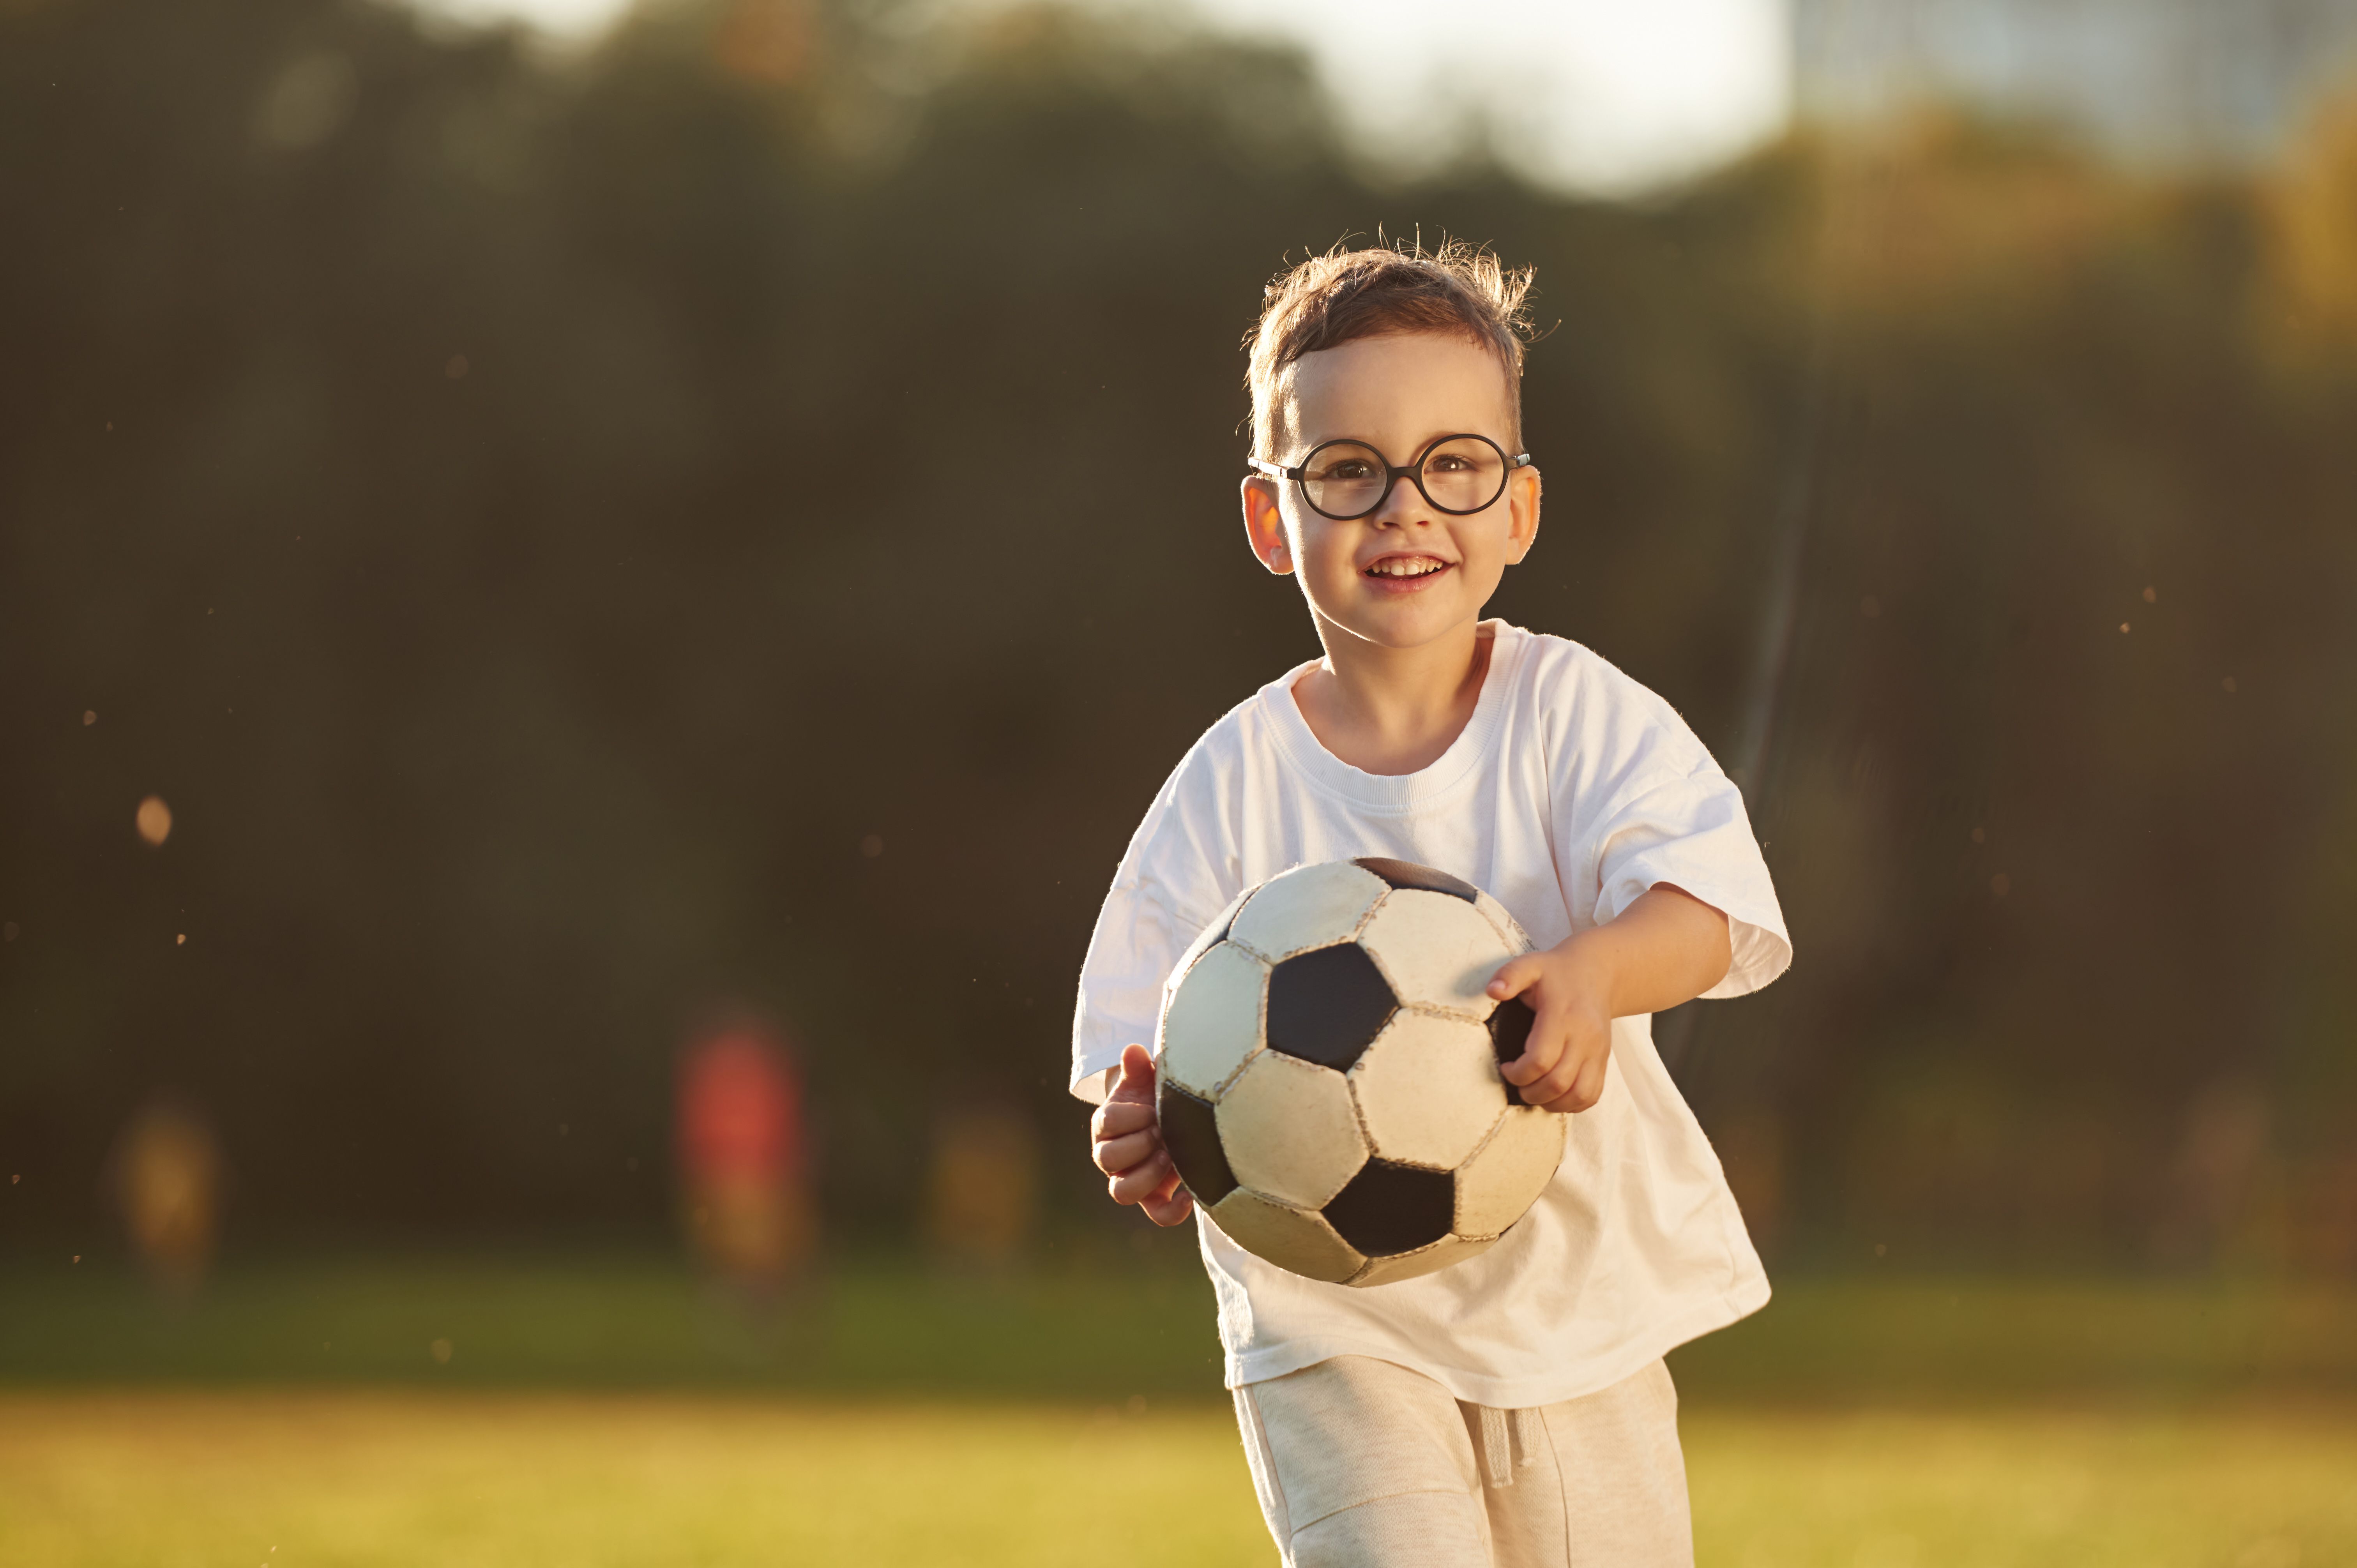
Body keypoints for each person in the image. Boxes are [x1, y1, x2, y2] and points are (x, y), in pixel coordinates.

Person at [1072, 240, 1791, 1567]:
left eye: (1452, 465)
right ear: (1271, 521)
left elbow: (1707, 904)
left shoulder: (1577, 718)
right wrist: (1145, 1124)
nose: (1405, 508)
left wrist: (1596, 973)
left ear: (1518, 510)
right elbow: (1149, 1043)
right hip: (1326, 1322)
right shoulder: (1230, 783)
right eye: (1347, 472)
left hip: (1577, 1312)